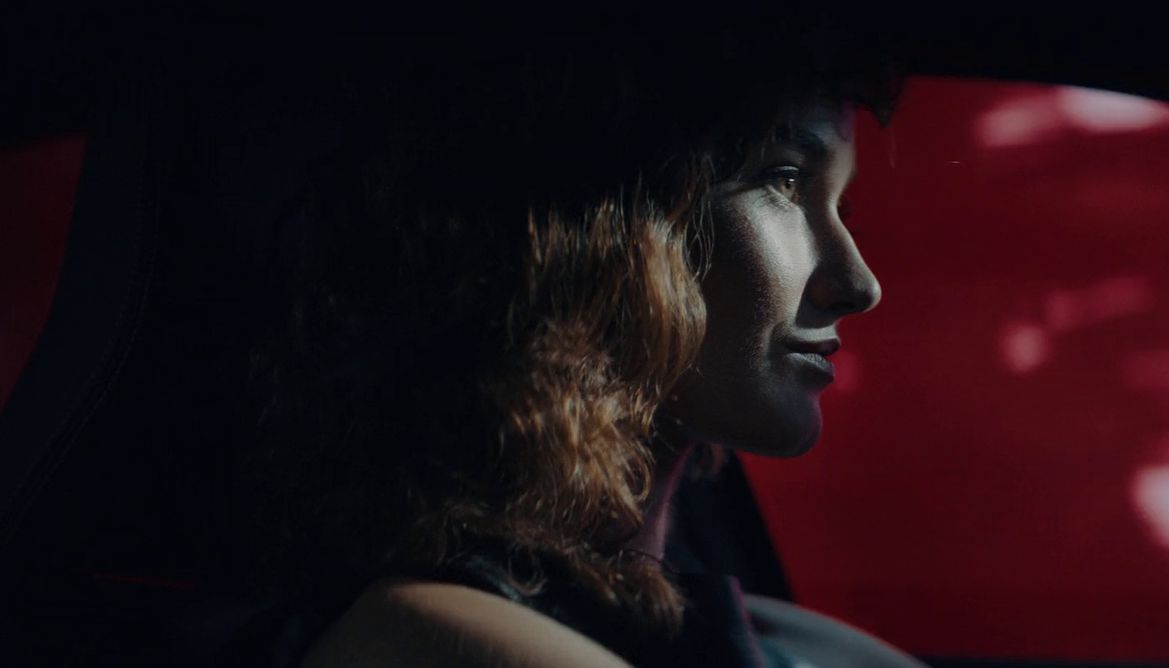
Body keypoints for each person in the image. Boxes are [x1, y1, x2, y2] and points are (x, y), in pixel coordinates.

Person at [235, 17, 924, 668]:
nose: (858, 283)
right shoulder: (418, 636)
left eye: (842, 206)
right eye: (784, 181)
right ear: (601, 227)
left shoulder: (745, 629)